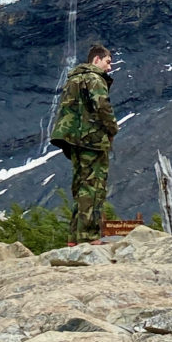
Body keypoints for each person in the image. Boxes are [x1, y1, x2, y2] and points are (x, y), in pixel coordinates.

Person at [50, 43, 118, 244]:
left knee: (80, 186)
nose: (109, 67)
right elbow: (102, 106)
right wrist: (112, 128)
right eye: (107, 61)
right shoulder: (94, 78)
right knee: (94, 187)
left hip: (74, 140)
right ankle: (89, 237)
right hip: (92, 141)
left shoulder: (73, 79)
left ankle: (74, 236)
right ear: (96, 60)